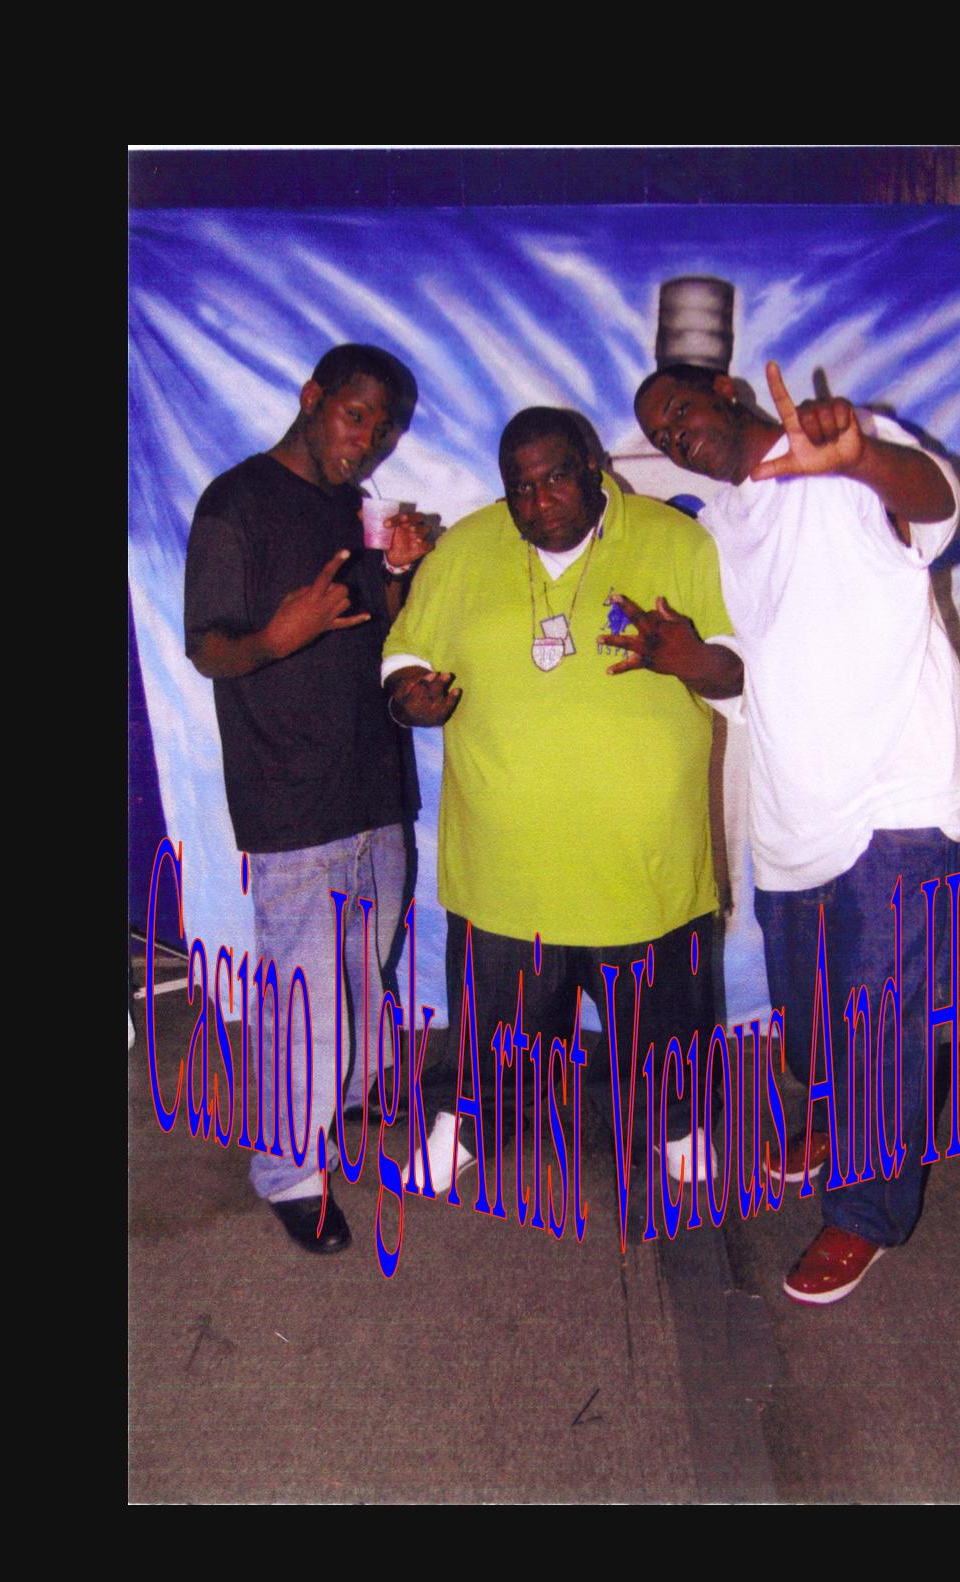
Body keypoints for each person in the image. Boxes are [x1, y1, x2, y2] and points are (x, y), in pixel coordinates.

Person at [634, 359, 960, 1304]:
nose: (674, 435)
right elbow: (751, 673)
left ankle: (866, 1214)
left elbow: (937, 504)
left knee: (881, 1024)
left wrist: (859, 458)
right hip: (795, 808)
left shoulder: (840, 455)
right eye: (659, 434)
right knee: (812, 1019)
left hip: (897, 795)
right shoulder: (726, 526)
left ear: (727, 389)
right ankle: (843, 1117)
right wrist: (690, 661)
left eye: (679, 409)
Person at [381, 407, 741, 1200]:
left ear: (593, 467)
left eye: (555, 478)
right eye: (520, 487)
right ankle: (466, 1123)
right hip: (505, 859)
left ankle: (677, 1123)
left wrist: (689, 659)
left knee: (662, 1016)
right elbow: (404, 651)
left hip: (641, 857)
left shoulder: (676, 543)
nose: (539, 501)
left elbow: (738, 668)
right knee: (496, 1024)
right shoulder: (465, 549)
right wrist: (409, 695)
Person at [184, 344, 434, 1255]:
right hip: (291, 794)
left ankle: (351, 1094)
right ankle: (289, 1170)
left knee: (366, 969)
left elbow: (365, 630)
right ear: (311, 397)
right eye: (355, 415)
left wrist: (397, 574)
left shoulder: (344, 507)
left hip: (372, 781)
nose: (367, 440)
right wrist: (274, 637)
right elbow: (208, 647)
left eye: (384, 430)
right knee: (306, 1000)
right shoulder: (236, 501)